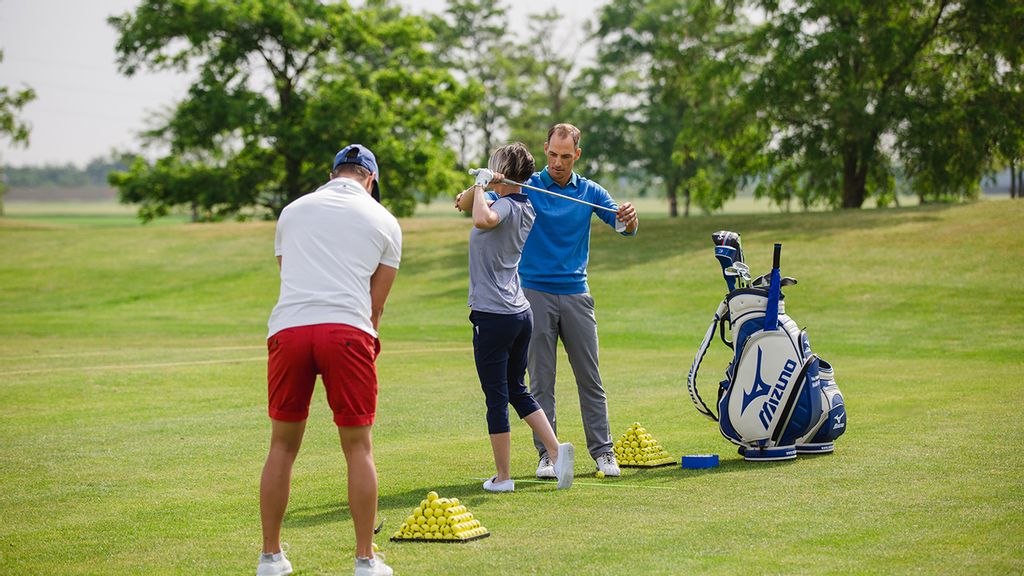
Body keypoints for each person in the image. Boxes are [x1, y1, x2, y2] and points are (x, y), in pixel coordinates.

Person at [257, 144, 400, 576]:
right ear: (370, 179)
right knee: (358, 448)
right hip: (347, 332)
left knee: (281, 445)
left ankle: (270, 558)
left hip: (290, 330)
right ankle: (364, 560)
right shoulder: (385, 221)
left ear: (333, 172)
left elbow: (291, 274)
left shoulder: (292, 210)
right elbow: (375, 307)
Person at [455, 143, 575, 492]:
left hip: (494, 315)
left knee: (496, 395)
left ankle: (503, 477)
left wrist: (481, 186)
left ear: (502, 171)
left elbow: (481, 218)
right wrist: (479, 185)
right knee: (517, 389)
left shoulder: (502, 207)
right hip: (519, 313)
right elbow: (462, 204)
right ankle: (555, 451)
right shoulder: (522, 204)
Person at [521, 123, 638, 479]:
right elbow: (489, 203)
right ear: (545, 150)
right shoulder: (528, 185)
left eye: (566, 157)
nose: (558, 163)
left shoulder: (589, 191)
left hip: (575, 293)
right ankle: (548, 455)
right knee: (541, 380)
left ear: (577, 155)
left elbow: (623, 227)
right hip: (534, 294)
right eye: (553, 155)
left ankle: (603, 453)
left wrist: (629, 221)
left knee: (590, 377)